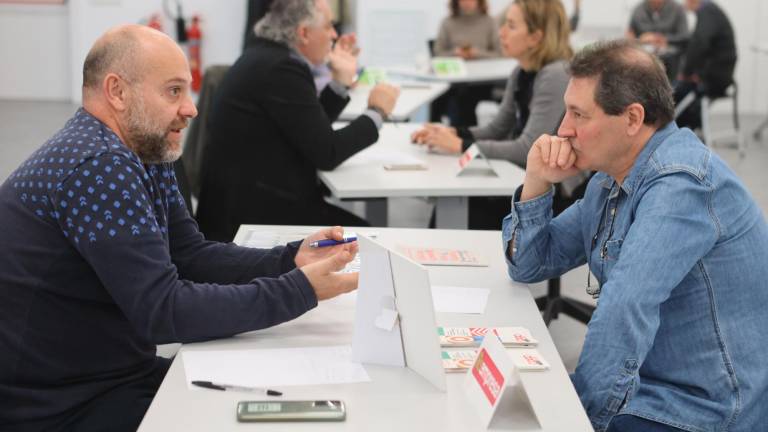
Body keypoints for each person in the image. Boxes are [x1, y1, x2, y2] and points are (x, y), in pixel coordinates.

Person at [0, 24, 361, 432]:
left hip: (104, 375)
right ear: (117, 92)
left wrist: (289, 259)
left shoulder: (144, 149)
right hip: (56, 404)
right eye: (174, 91)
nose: (191, 109)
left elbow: (189, 254)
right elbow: (164, 310)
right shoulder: (98, 164)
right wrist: (300, 289)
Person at [503, 40, 768, 431]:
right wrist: (537, 181)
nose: (562, 129)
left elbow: (623, 310)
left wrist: (576, 420)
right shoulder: (610, 181)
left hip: (703, 407)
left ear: (632, 118)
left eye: (578, 114)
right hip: (649, 383)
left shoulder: (682, 187)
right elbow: (530, 264)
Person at [196, 0, 400, 242]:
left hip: (245, 205)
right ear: (303, 33)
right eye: (328, 27)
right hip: (253, 219)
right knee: (370, 240)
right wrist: (376, 112)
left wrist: (340, 82)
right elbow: (327, 152)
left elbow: (307, 128)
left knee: (365, 234)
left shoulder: (265, 56)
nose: (334, 35)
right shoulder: (281, 68)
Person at [414, 0, 580, 229]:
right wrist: (451, 132)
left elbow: (527, 148)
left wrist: (461, 144)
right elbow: (498, 129)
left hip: (552, 196)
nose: (501, 32)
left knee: (461, 208)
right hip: (524, 179)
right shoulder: (521, 71)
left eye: (510, 26)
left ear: (535, 37)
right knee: (456, 202)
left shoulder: (555, 75)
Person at [430, 0, 502, 128]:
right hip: (453, 81)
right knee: (440, 98)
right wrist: (454, 53)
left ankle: (463, 137)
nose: (467, 2)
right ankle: (436, 132)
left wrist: (477, 54)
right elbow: (438, 53)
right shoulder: (447, 22)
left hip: (482, 81)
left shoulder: (489, 22)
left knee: (463, 99)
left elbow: (500, 53)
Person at [673, 0, 737, 131]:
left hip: (714, 78)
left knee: (677, 92)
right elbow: (697, 41)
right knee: (680, 91)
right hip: (720, 74)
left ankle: (678, 134)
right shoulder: (711, 11)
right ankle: (690, 129)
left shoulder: (706, 11)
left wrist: (686, 73)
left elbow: (700, 43)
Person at [626, 0, 689, 79]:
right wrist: (640, 40)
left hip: (672, 63)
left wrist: (664, 39)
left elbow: (684, 36)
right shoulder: (638, 9)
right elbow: (630, 34)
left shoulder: (677, 9)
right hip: (643, 63)